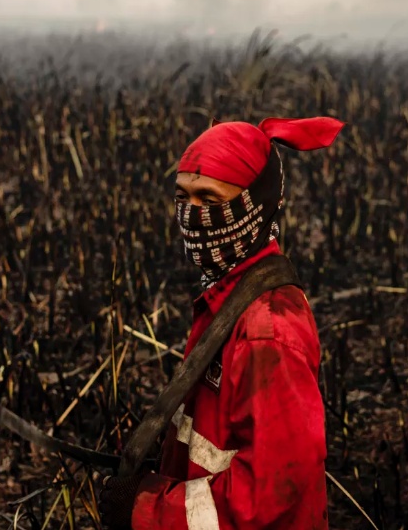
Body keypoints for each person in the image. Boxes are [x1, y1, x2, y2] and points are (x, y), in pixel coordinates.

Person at [98, 116, 346, 529]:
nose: (192, 216)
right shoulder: (226, 300)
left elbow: (269, 495)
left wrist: (148, 511)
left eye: (210, 201)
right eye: (183, 197)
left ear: (258, 205)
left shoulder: (267, 331)